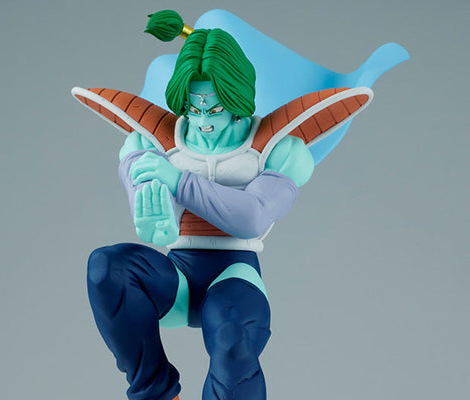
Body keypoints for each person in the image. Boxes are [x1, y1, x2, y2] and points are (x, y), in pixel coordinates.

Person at [74, 10, 373, 400]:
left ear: (236, 99)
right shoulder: (153, 142)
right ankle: (154, 391)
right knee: (107, 266)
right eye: (193, 108)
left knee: (233, 338)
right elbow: (142, 196)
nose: (203, 121)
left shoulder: (274, 149)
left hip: (234, 277)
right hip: (176, 279)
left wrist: (178, 181)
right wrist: (149, 208)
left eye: (213, 109)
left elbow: (252, 217)